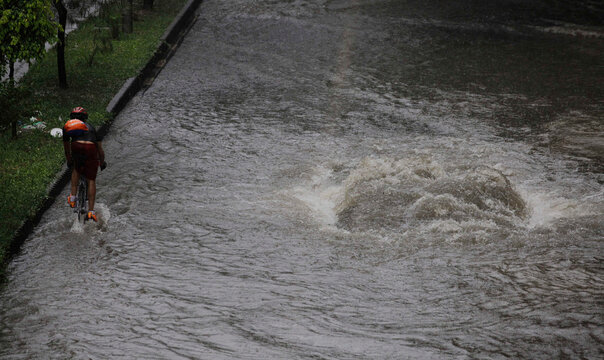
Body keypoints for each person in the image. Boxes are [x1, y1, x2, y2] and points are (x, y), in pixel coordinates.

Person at [62, 107, 107, 222]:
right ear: (85, 118)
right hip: (90, 148)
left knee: (76, 169)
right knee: (91, 179)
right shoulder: (91, 128)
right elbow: (100, 150)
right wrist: (101, 162)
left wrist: (69, 160)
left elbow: (67, 149)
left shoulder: (68, 127)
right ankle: (91, 212)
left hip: (76, 146)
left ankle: (72, 197)